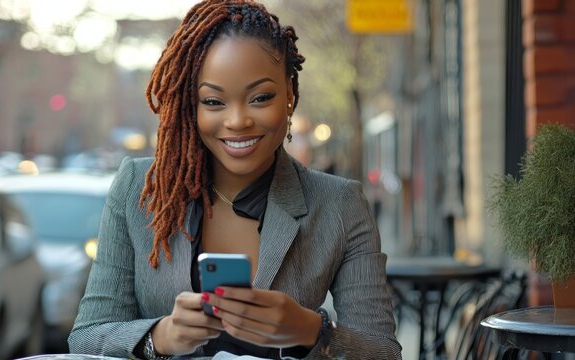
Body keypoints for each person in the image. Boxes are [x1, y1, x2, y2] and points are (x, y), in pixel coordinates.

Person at [68, 1, 402, 359]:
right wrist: (159, 337)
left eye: (260, 97)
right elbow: (86, 338)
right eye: (213, 101)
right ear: (190, 106)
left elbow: (383, 352)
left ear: (290, 93)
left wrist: (310, 330)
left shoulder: (340, 203)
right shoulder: (137, 188)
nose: (238, 120)